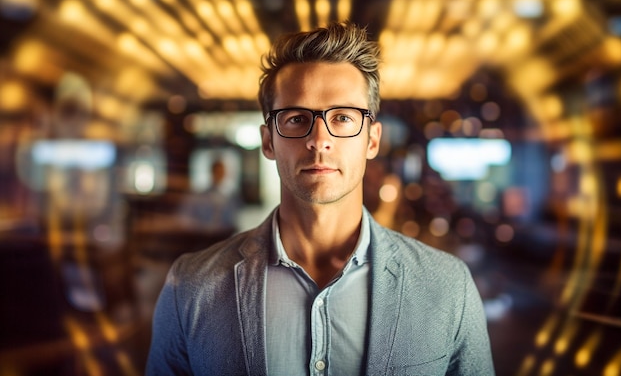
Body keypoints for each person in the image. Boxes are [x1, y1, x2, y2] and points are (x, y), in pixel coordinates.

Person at [146, 21, 495, 375]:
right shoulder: (191, 287)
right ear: (269, 141)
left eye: (343, 117)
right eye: (297, 118)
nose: (319, 139)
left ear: (372, 140)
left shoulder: (447, 285)